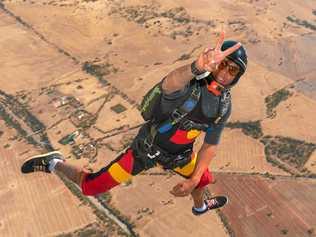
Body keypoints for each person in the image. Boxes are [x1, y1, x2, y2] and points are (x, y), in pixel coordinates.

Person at [21, 32, 247, 215]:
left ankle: (200, 207)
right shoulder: (190, 88)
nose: (225, 72)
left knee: (203, 179)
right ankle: (55, 163)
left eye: (233, 69)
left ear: (237, 77)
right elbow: (170, 84)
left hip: (180, 156)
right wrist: (196, 68)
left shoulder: (223, 106)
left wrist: (194, 179)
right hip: (144, 153)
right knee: (91, 187)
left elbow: (211, 145)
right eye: (222, 64)